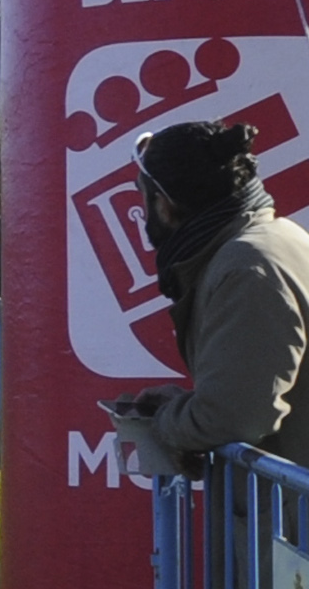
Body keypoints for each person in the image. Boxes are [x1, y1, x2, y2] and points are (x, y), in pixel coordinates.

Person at [116, 121, 309, 471]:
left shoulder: (246, 269)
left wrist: (166, 423)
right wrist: (189, 406)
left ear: (165, 206)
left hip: (290, 505)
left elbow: (234, 417)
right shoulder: (274, 238)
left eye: (143, 196)